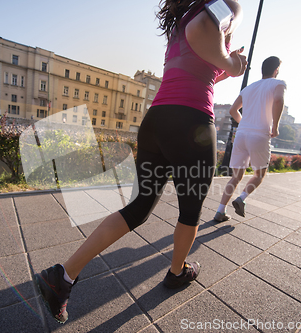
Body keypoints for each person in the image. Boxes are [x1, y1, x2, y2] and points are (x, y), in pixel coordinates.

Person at [36, 0, 247, 323]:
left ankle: (63, 276)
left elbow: (200, 69)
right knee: (190, 211)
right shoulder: (212, 12)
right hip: (191, 124)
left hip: (157, 121)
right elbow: (220, 30)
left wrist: (224, 66)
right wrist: (234, 62)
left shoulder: (181, 21)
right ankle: (177, 272)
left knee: (137, 207)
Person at [214, 56, 286, 222]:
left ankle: (220, 211)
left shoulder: (248, 88)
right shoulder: (278, 83)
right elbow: (278, 100)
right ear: (276, 70)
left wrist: (245, 123)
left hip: (241, 134)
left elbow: (233, 110)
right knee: (259, 173)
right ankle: (241, 198)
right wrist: (275, 127)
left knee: (236, 176)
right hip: (260, 134)